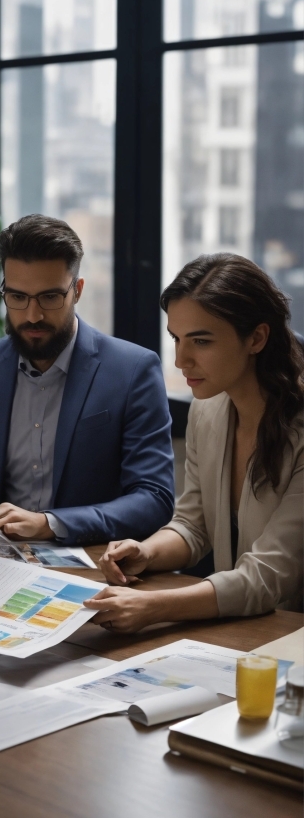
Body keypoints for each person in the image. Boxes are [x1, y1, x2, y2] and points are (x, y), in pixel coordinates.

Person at [0, 214, 175, 545]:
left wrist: (51, 523)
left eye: (49, 297)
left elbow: (154, 497)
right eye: (17, 297)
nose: (32, 315)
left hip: (94, 561)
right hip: (0, 560)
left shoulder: (133, 370)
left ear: (77, 290)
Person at [85, 253, 303, 631]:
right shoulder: (210, 407)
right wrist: (147, 551)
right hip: (239, 627)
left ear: (257, 337)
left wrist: (154, 606)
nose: (181, 360)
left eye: (201, 341)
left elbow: (269, 575)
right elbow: (194, 523)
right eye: (176, 338)